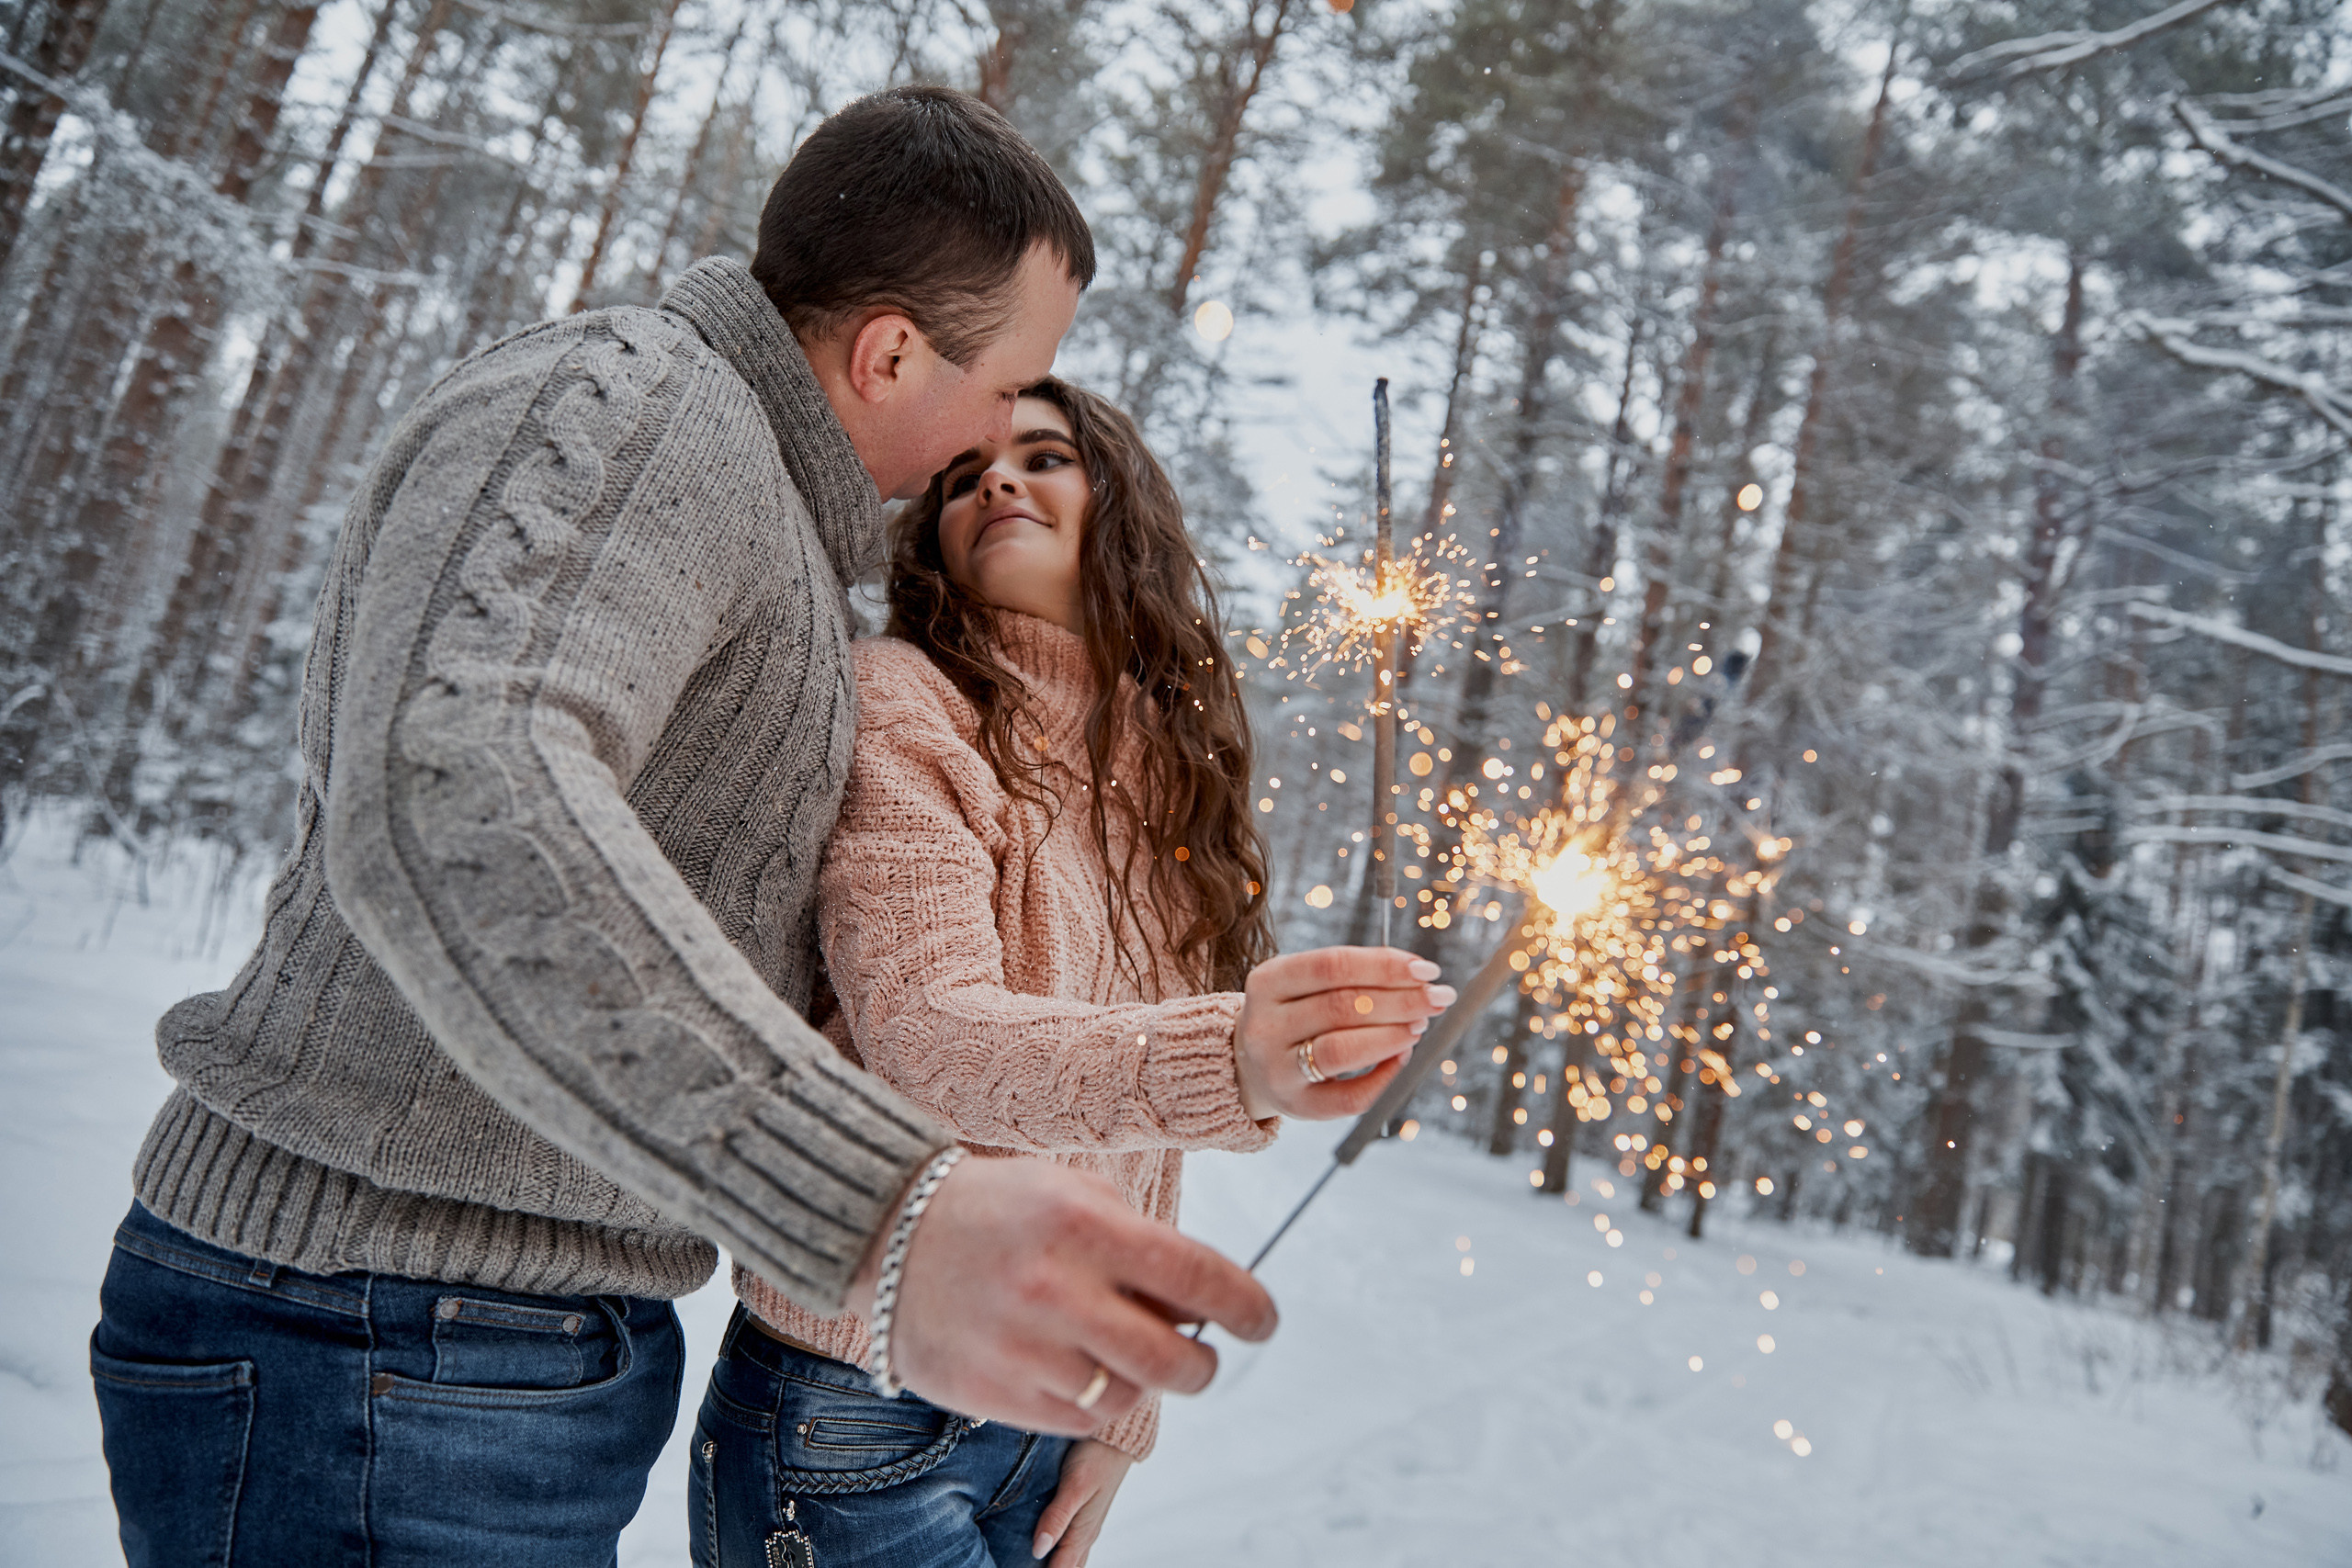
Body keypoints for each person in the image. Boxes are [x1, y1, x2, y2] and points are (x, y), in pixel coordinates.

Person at [89, 88, 1283, 1568]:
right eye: (1012, 383)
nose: (1008, 432)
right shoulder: (646, 412)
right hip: (373, 1332)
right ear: (892, 352)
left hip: (481, 1344)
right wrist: (875, 1203)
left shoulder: (753, 502)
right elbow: (458, 789)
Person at [693, 378, 1454, 1567]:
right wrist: (1231, 1054)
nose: (997, 480)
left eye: (1044, 457)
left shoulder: (1167, 777)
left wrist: (1121, 1409)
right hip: (860, 1404)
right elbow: (927, 1038)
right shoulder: (906, 703)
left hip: (1047, 1415)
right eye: (963, 475)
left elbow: (1137, 1148)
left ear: (1122, 513)